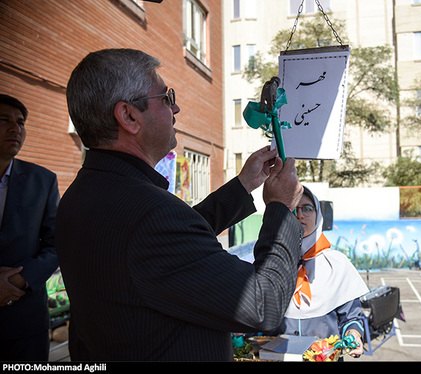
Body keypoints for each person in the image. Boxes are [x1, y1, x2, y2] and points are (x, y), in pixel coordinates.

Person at [56, 48, 304, 361]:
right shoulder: (149, 213)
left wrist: (243, 186)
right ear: (129, 116)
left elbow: (169, 249)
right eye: (166, 97)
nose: (176, 108)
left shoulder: (81, 195)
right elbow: (264, 304)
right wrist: (281, 210)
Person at [269, 186, 369, 359]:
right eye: (293, 209)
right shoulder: (270, 263)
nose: (300, 215)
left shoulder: (337, 264)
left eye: (307, 208)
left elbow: (352, 317)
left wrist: (353, 334)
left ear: (318, 215)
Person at [0, 94, 60, 360]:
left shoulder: (43, 180)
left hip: (25, 317)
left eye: (21, 122)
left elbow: (56, 243)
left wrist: (19, 280)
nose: (16, 128)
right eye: (4, 120)